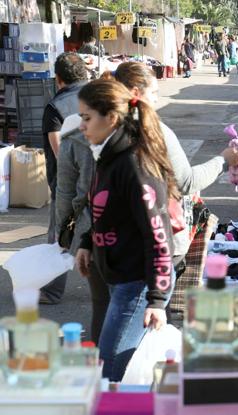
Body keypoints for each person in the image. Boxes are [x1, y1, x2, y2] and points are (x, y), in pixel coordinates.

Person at [57, 62, 238, 342]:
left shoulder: (94, 143)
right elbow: (183, 187)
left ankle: (124, 372)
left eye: (86, 117)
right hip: (129, 250)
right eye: (155, 92)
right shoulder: (141, 139)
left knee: (114, 319)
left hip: (109, 245)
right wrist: (223, 160)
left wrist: (69, 240)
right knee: (138, 330)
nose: (84, 126)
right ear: (135, 93)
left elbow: (65, 193)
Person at [74, 79, 176, 381]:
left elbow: (158, 235)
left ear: (112, 118)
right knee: (115, 372)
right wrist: (87, 242)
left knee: (108, 373)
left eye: (86, 117)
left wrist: (157, 299)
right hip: (120, 279)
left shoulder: (134, 164)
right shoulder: (106, 155)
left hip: (139, 284)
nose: (81, 126)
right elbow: (107, 212)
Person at [40, 53, 89, 305]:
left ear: (58, 79)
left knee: (60, 235)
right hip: (100, 178)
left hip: (67, 183)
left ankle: (51, 291)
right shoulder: (97, 97)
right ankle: (115, 286)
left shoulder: (55, 107)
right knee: (100, 231)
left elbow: (59, 152)